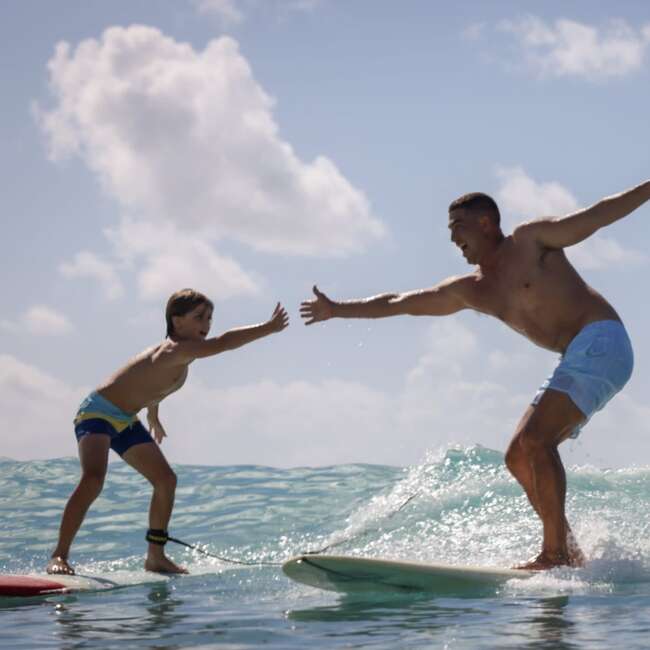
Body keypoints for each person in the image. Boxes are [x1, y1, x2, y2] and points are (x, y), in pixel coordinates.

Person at [300, 179, 650, 570]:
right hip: (579, 355)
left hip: (601, 341)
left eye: (457, 225)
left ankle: (555, 554)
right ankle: (568, 549)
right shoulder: (473, 289)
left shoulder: (531, 242)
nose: (451, 236)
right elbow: (400, 303)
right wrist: (337, 309)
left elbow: (599, 214)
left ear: (486, 222)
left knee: (536, 440)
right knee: (518, 455)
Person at [47, 289, 289, 575]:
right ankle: (59, 556)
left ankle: (155, 556)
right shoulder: (175, 348)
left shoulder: (183, 355)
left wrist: (153, 412)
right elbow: (224, 343)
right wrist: (268, 327)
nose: (207, 324)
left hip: (124, 419)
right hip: (97, 413)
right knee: (94, 478)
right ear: (176, 321)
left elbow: (148, 381)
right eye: (199, 317)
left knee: (165, 480)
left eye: (210, 318)